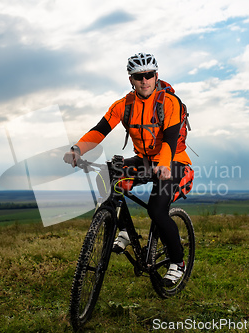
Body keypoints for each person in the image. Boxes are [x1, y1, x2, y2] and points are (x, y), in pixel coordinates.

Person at [63, 53, 192, 286]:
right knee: (109, 173)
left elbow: (170, 140)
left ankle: (178, 262)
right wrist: (77, 149)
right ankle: (122, 229)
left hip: (174, 161)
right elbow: (100, 130)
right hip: (145, 159)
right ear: (131, 79)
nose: (145, 80)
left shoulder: (169, 102)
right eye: (138, 76)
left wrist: (164, 165)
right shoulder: (124, 105)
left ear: (156, 76)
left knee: (157, 209)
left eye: (149, 75)